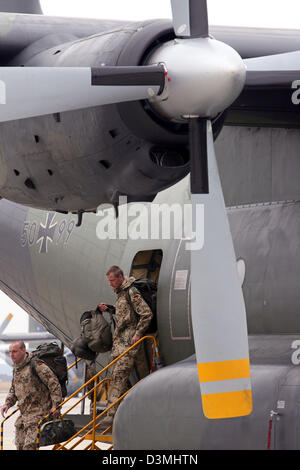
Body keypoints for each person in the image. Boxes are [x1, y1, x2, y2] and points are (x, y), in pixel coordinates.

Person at [98, 265, 153, 428]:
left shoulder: (131, 292)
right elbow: (126, 314)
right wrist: (110, 309)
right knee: (126, 373)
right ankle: (133, 409)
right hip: (120, 341)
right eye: (109, 281)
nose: (110, 284)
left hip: (130, 341)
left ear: (120, 277)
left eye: (112, 280)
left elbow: (146, 314)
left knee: (119, 374)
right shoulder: (121, 293)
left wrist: (138, 334)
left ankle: (112, 413)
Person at [1, 340, 62, 450]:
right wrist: (7, 403)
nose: (11, 355)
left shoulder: (36, 365)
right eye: (10, 352)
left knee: (29, 447)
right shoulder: (17, 369)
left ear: (23, 350)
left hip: (39, 414)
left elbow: (54, 384)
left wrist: (56, 406)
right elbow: (14, 389)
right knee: (19, 445)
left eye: (14, 351)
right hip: (25, 415)